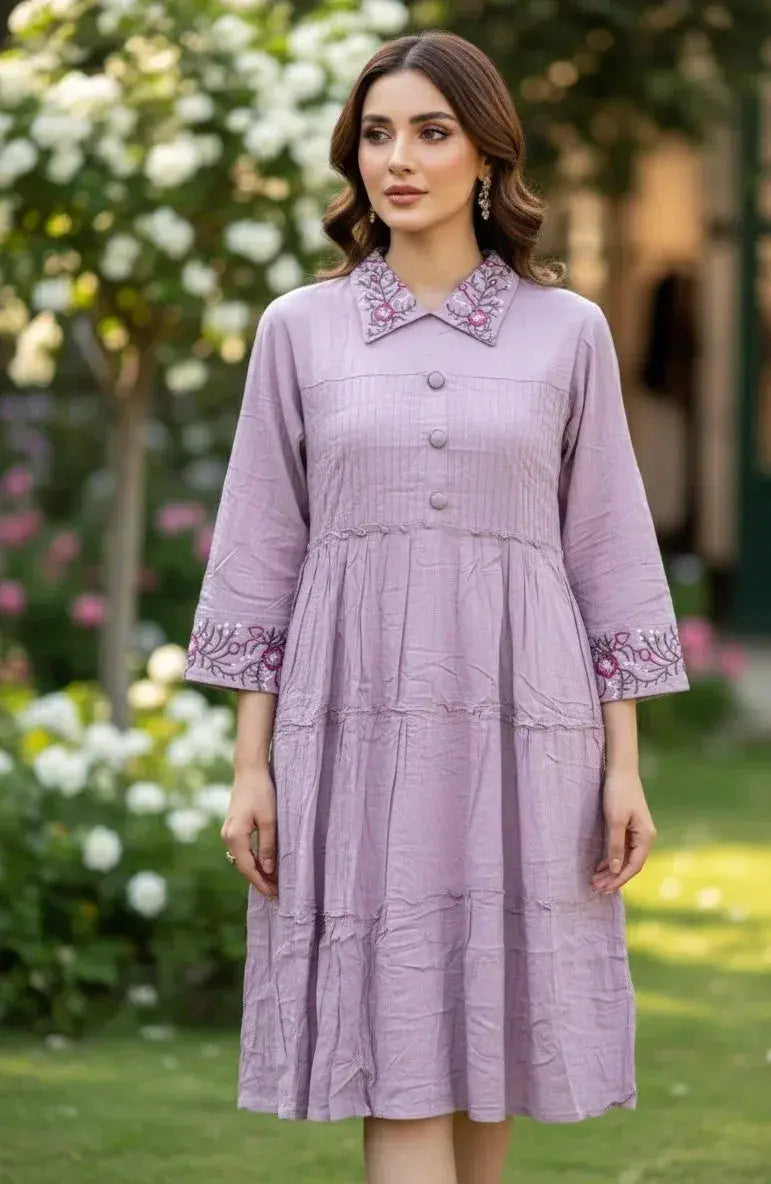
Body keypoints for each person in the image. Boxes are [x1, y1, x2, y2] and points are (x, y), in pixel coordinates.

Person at [184, 28, 690, 1184]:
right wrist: (250, 766)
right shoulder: (297, 331)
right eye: (375, 133)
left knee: (492, 1056)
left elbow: (609, 556)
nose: (397, 159)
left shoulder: (570, 331)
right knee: (396, 1051)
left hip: (530, 726)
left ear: (486, 155)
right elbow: (261, 556)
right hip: (353, 725)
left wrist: (624, 766)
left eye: (429, 130)